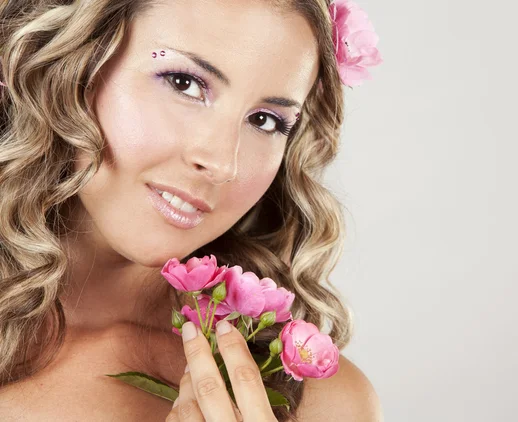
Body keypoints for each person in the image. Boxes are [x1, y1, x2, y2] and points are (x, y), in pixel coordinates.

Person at [0, 0, 382, 420]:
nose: (222, 164)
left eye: (266, 120)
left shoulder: (321, 404)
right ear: (67, 64)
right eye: (184, 82)